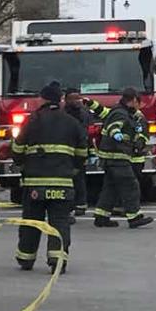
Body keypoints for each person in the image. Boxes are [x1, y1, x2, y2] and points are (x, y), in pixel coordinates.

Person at [10, 83, 88, 273]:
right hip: (62, 183)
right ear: (60, 100)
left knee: (31, 221)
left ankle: (26, 258)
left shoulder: (33, 120)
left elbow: (17, 149)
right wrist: (74, 169)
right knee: (60, 222)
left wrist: (21, 161)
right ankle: (57, 261)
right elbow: (82, 153)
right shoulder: (72, 123)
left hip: (35, 184)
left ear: (43, 99)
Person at [93, 88, 153, 229]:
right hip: (117, 156)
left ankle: (101, 216)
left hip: (112, 157)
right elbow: (114, 127)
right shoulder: (121, 113)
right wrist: (116, 135)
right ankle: (134, 217)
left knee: (111, 187)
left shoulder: (122, 112)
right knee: (130, 185)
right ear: (133, 100)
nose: (139, 106)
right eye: (138, 102)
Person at [64, 88, 94, 216]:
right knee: (67, 180)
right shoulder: (62, 114)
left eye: (78, 98)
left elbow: (89, 132)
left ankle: (81, 204)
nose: (77, 101)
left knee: (80, 179)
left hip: (80, 150)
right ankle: (69, 204)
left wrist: (90, 151)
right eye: (73, 98)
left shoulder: (85, 113)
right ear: (66, 100)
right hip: (66, 151)